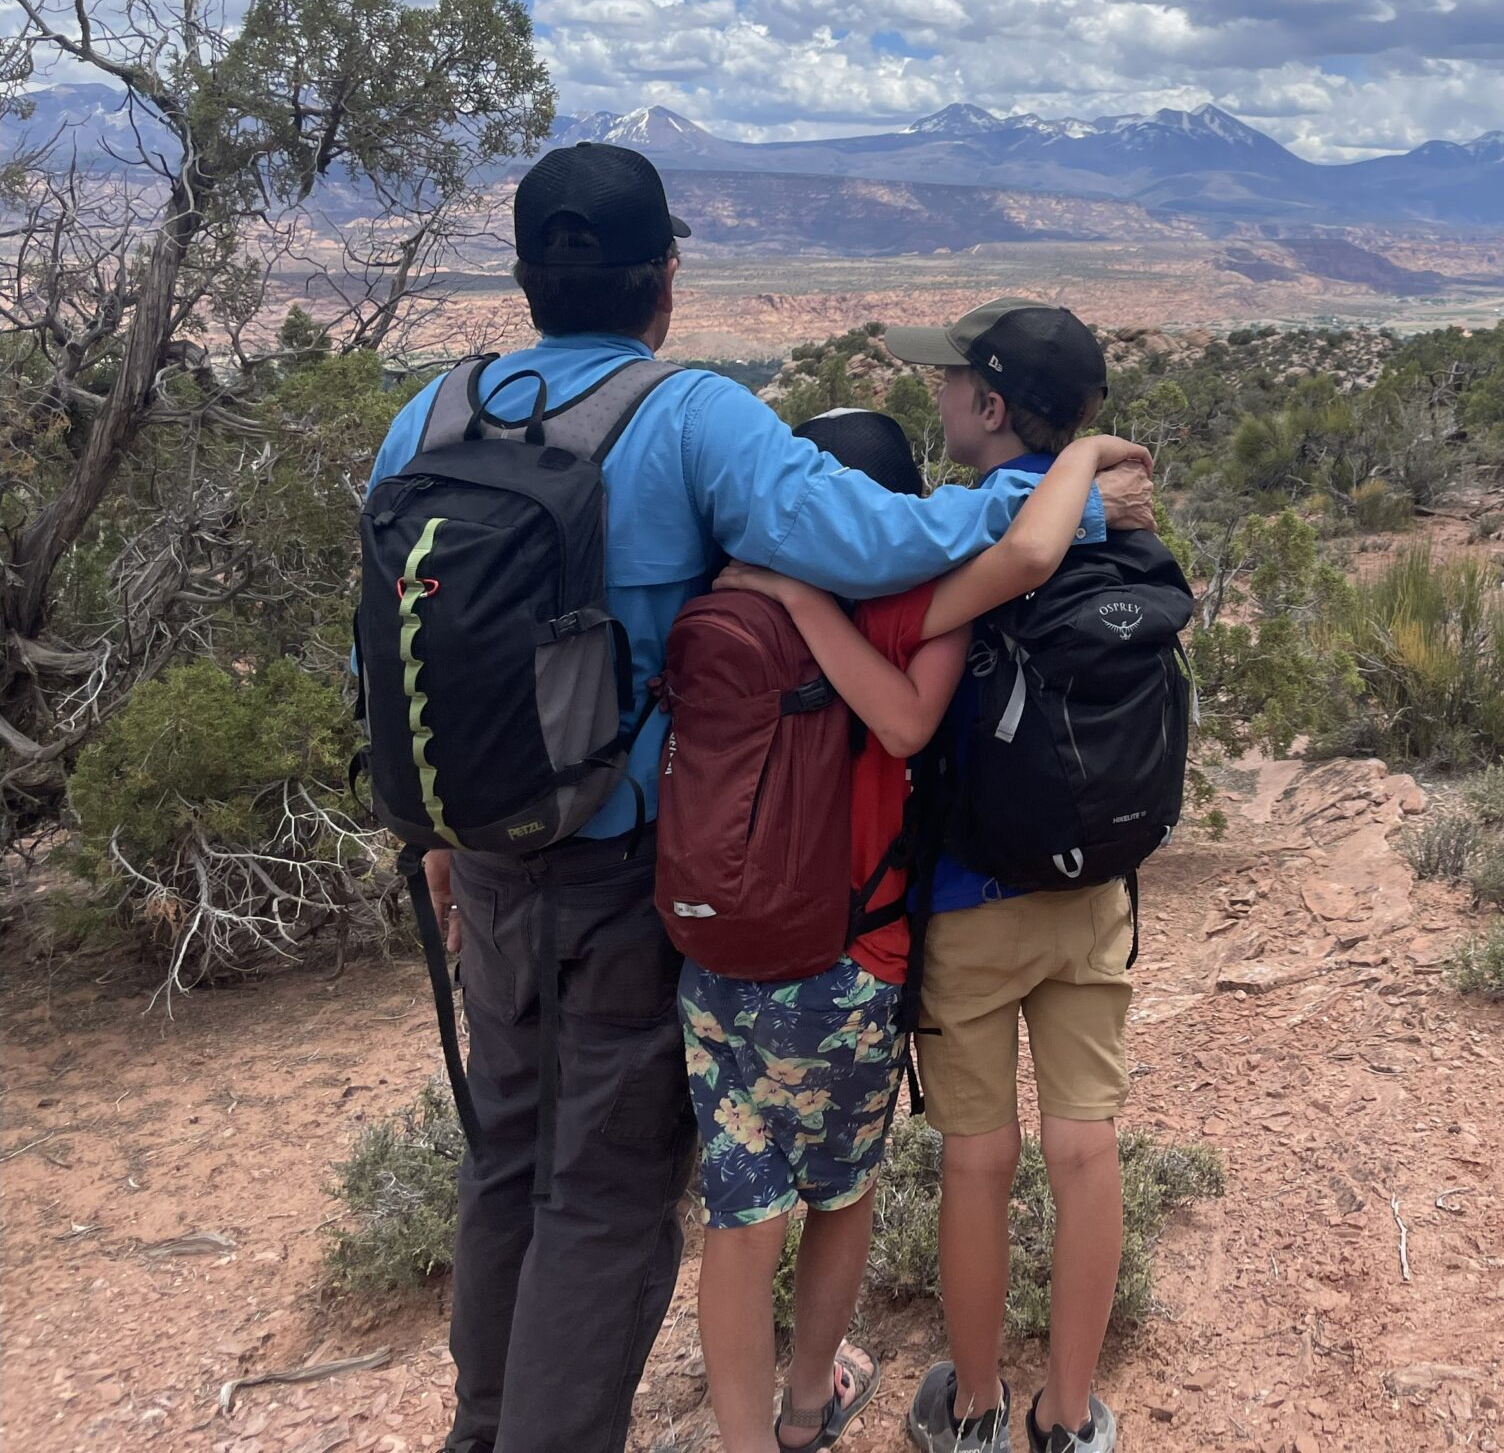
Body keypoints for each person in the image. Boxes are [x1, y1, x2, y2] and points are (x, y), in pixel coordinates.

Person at [368, 147, 1155, 1453]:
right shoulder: (685, 417)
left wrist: (439, 830)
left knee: (505, 1153)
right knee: (605, 1195)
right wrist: (1063, 490)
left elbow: (390, 655)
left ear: (524, 276)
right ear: (665, 278)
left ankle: (483, 1424)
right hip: (632, 872)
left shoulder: (429, 419)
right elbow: (889, 547)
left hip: (487, 859)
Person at [686, 410, 1151, 1453]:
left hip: (723, 953)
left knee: (744, 1203)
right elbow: (911, 717)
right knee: (850, 1189)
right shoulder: (909, 609)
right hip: (862, 947)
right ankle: (1046, 1418)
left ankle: (943, 1414)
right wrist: (1083, 463)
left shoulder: (725, 599)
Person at [872, 301, 1138, 1453]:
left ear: (988, 405)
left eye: (945, 385)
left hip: (970, 898)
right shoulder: (1122, 524)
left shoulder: (958, 523)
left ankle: (973, 1411)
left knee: (977, 1163)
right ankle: (1069, 1417)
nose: (933, 399)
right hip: (1091, 887)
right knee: (1086, 1149)